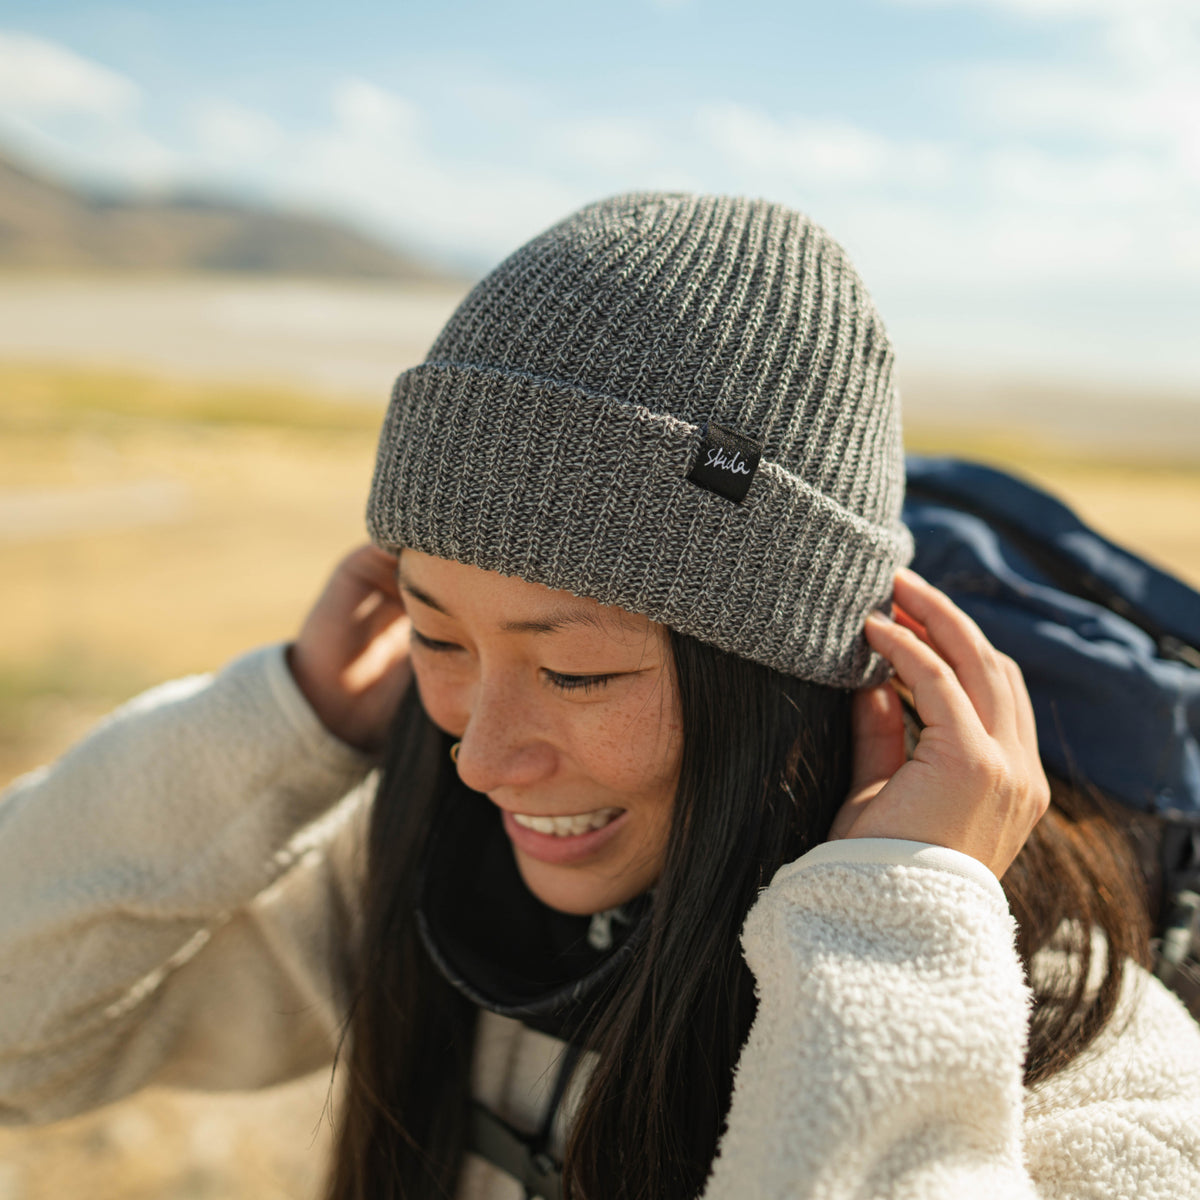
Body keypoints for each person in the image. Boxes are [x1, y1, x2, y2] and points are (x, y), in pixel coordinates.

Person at [2, 192, 1199, 1200]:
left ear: (796, 675)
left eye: (577, 670)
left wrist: (889, 936)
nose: (481, 757)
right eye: (438, 635)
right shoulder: (428, 895)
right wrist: (277, 727)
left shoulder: (1084, 1063)